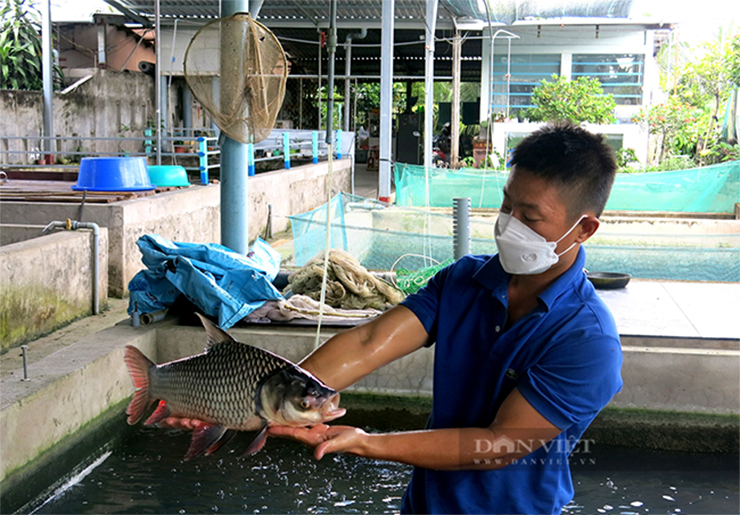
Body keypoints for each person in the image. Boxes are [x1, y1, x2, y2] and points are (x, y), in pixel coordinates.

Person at [162, 122, 623, 514]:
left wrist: (366, 442)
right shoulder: (466, 280)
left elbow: (497, 445)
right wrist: (257, 402)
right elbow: (368, 344)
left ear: (583, 228)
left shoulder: (588, 342)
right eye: (507, 205)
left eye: (531, 217)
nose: (508, 223)